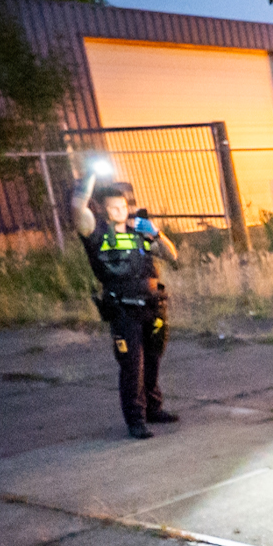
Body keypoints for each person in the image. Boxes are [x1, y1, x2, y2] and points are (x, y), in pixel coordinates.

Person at [72, 175, 180, 439]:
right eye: (113, 207)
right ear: (103, 210)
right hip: (122, 309)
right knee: (133, 365)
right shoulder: (96, 234)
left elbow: (171, 254)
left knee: (153, 360)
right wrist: (89, 177)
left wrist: (155, 233)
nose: (120, 211)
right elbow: (77, 209)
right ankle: (136, 420)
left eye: (123, 206)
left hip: (153, 306)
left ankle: (154, 409)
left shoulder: (139, 233)